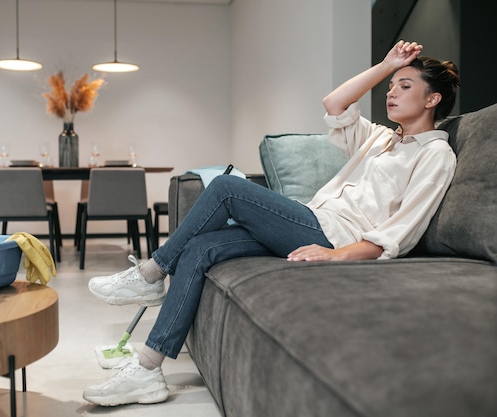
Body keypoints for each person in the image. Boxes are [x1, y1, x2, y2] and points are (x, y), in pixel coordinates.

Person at [82, 40, 460, 407]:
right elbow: (335, 104)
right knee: (202, 247)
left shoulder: (435, 155)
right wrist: (387, 66)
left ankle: (151, 273)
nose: (392, 93)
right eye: (391, 86)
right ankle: (147, 370)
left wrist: (337, 255)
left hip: (333, 235)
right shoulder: (380, 138)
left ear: (432, 99)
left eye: (404, 86)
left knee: (228, 188)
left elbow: (401, 232)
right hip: (313, 219)